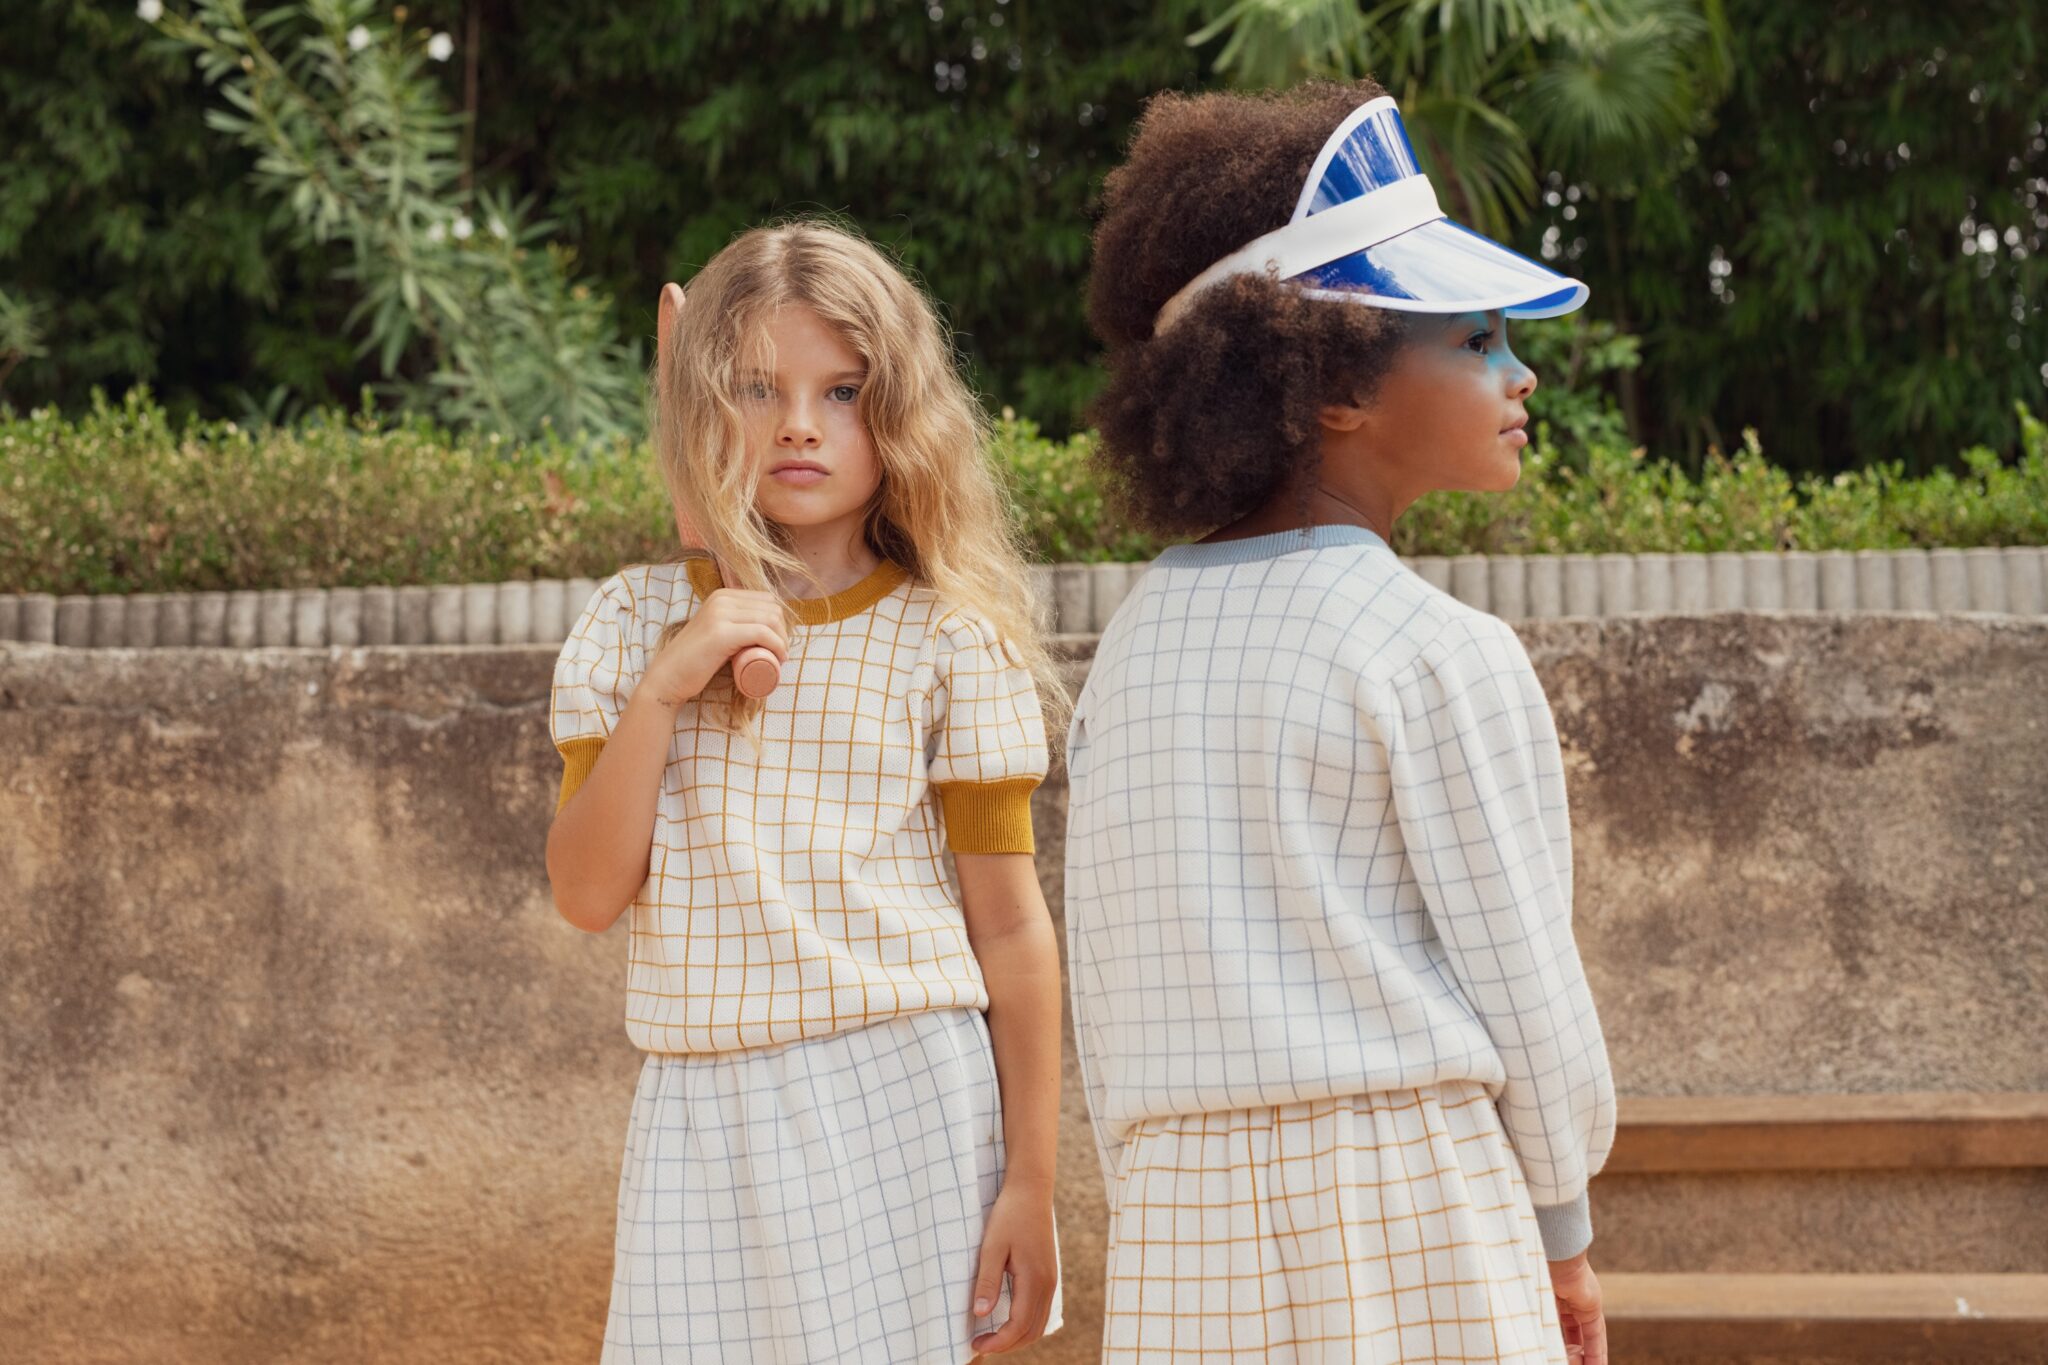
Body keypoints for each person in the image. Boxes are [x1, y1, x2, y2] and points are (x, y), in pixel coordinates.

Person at [1064, 81, 1617, 1363]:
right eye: (1475, 339)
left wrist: (1146, 1188)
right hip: (1414, 1202)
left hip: (1177, 1228)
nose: (1519, 370)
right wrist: (1563, 1238)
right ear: (1328, 387)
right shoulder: (1438, 652)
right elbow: (1524, 990)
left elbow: (1110, 979)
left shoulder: (1126, 656)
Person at [545, 220, 1068, 1363]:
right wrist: (667, 689)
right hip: (698, 1102)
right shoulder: (633, 627)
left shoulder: (950, 642)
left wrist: (1033, 1179)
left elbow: (1012, 929)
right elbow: (587, 895)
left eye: (841, 391)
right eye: (754, 388)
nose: (796, 423)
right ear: (699, 408)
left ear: (900, 415)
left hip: (904, 1093)